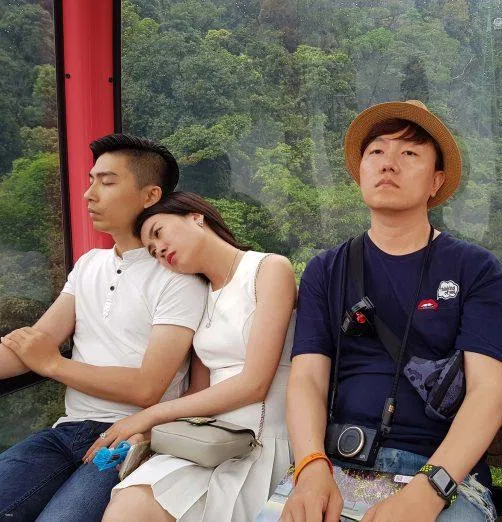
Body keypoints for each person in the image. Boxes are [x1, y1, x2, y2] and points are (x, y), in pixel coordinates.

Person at [281, 100, 502, 522]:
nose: (388, 163)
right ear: (361, 173)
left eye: (409, 153)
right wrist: (311, 467)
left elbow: (489, 393)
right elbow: (307, 379)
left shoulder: (477, 270)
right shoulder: (325, 269)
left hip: (445, 476)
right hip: (337, 462)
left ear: (436, 180)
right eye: (376, 151)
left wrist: (429, 490)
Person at [0, 134, 207, 521]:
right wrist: (41, 356)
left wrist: (54, 364)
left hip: (132, 437)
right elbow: (33, 344)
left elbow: (147, 388)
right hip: (67, 430)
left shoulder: (178, 278)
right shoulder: (88, 264)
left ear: (150, 195)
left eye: (107, 182)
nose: (89, 194)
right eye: (91, 180)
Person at [92, 191, 296, 521]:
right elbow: (199, 391)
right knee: (128, 506)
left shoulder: (268, 268)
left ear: (195, 217)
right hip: (206, 441)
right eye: (152, 251)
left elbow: (254, 384)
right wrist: (150, 434)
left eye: (159, 233)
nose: (159, 250)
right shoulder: (200, 295)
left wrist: (148, 416)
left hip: (260, 444)